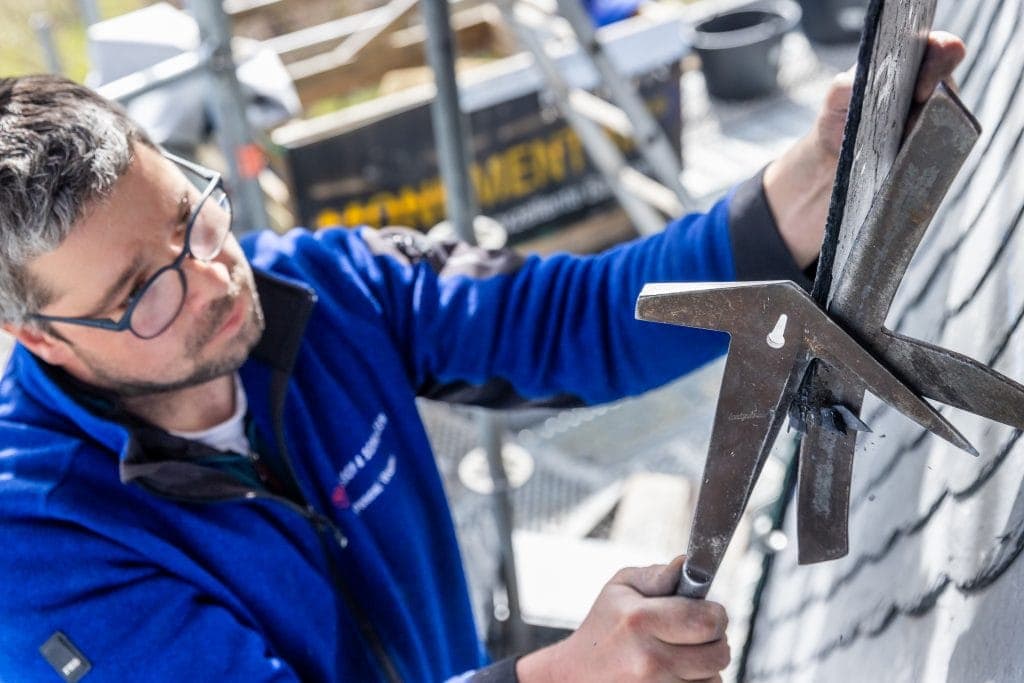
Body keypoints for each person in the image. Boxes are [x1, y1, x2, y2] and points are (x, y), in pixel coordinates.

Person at [0, 33, 964, 682]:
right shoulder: (38, 548)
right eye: (146, 292)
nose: (214, 278)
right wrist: (564, 674)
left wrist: (814, 177)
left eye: (196, 217)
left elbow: (579, 317)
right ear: (39, 336)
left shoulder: (324, 288)